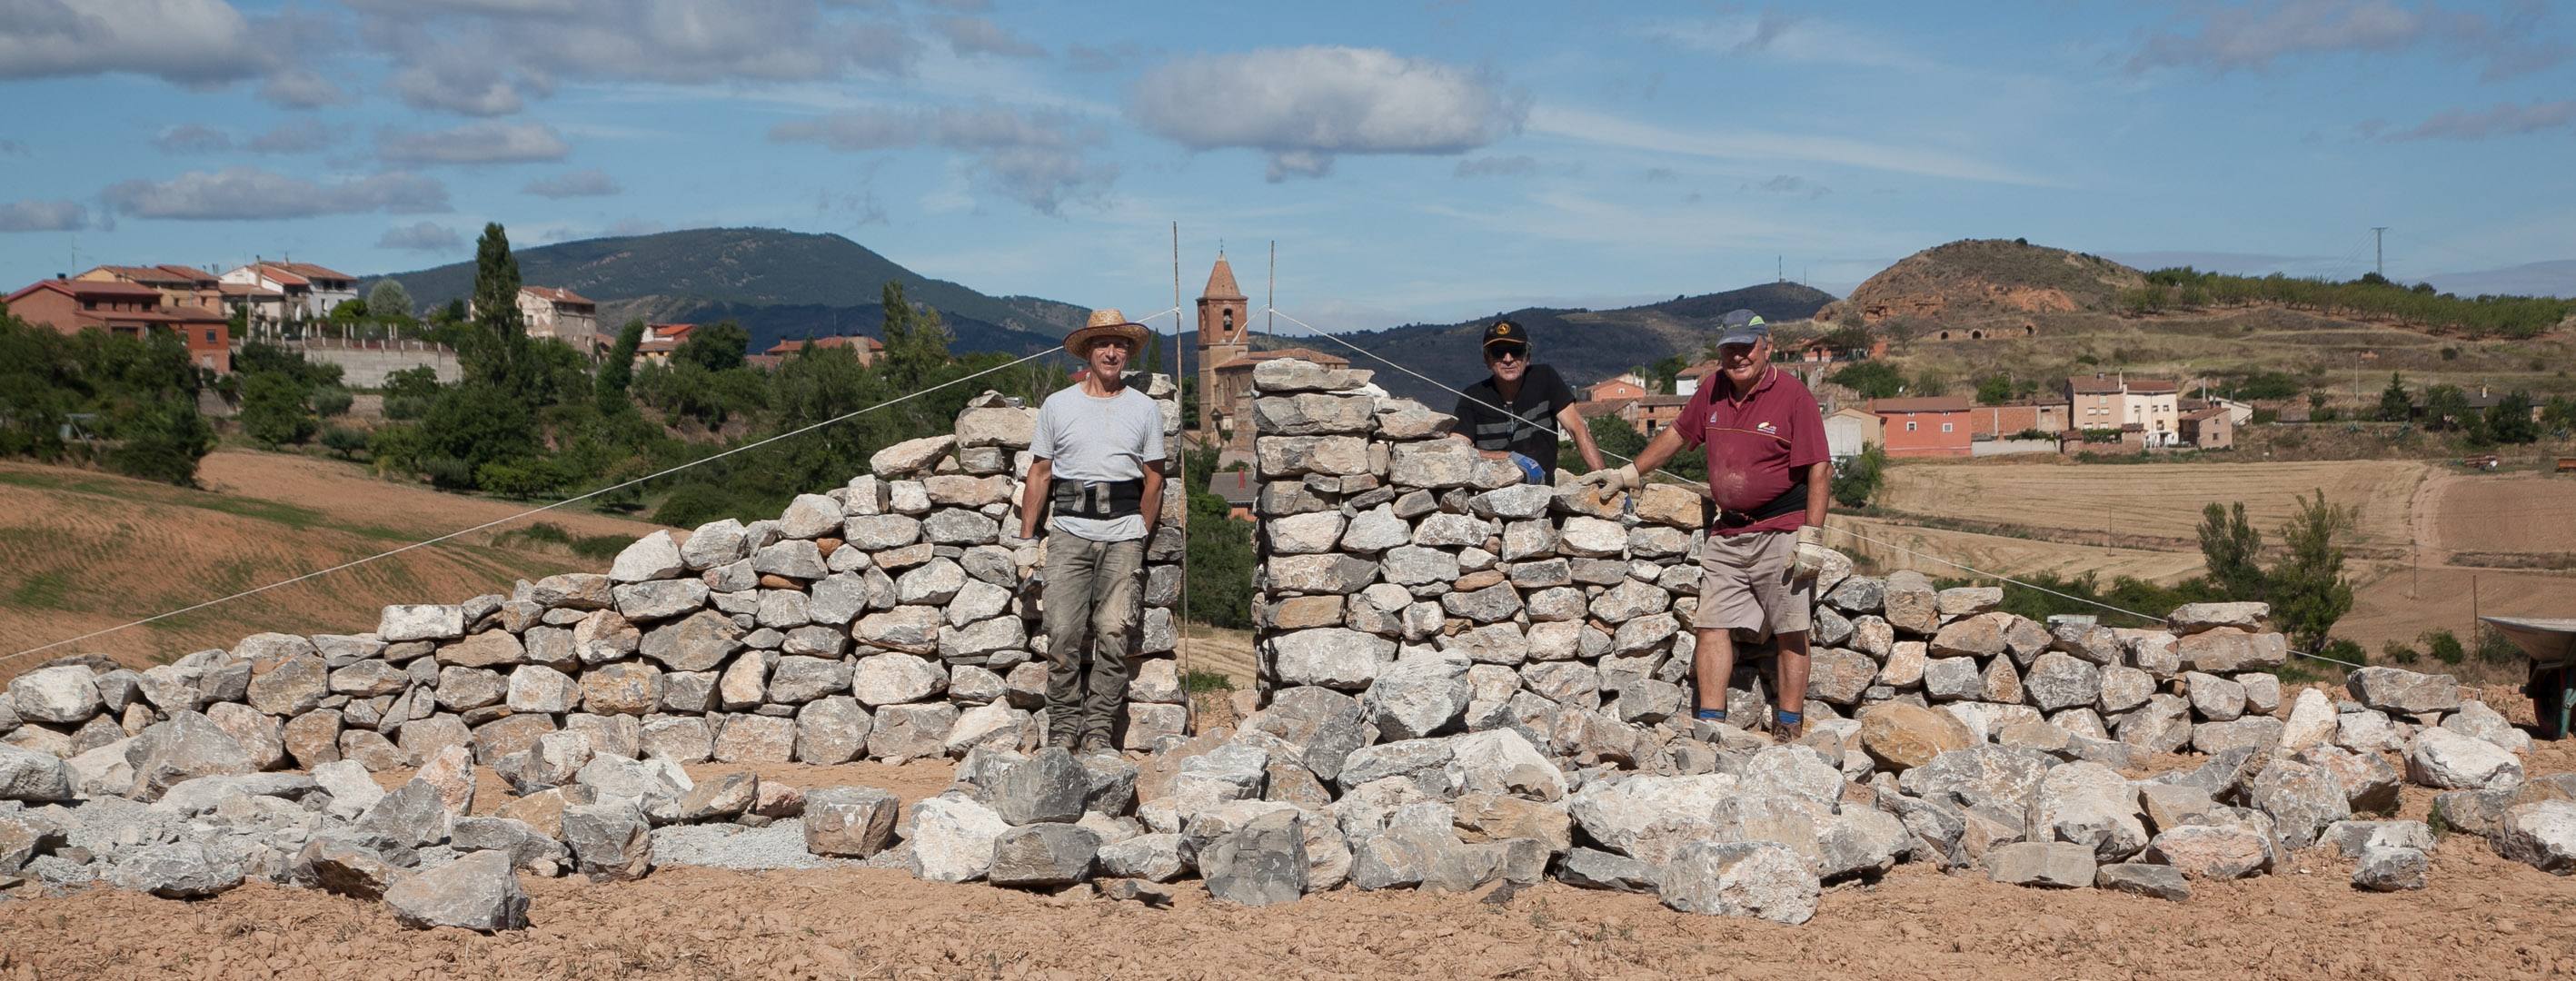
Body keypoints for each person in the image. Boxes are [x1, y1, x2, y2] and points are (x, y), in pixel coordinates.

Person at [1574, 311, 1831, 738]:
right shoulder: (1712, 389)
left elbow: (1819, 468)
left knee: (1791, 629)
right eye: (1729, 349)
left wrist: (1812, 536)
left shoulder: (1794, 397)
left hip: (1781, 530)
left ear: (1766, 347)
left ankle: (1789, 729)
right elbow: (1676, 434)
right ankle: (1709, 731)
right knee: (1711, 624)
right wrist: (1628, 474)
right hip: (1728, 533)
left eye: (1746, 347)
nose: (1737, 356)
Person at [1018, 309, 1167, 754]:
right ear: (1088, 352)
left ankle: (1100, 727)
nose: (1111, 352)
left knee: (1115, 633)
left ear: (1127, 353)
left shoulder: (1144, 409)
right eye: (1103, 344)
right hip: (1068, 532)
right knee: (1062, 632)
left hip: (1122, 535)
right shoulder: (1058, 406)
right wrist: (1026, 540)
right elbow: (1040, 473)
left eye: (1119, 345)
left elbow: (1155, 477)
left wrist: (1139, 529)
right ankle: (1063, 727)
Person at [1450, 318, 1605, 483]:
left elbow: (1577, 429)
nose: (1508, 359)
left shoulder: (1545, 379)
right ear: (1487, 360)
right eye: (1498, 352)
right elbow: (1456, 450)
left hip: (1543, 495)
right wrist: (1507, 457)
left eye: (1515, 351)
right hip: (1491, 497)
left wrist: (1603, 477)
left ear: (1527, 357)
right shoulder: (1472, 397)